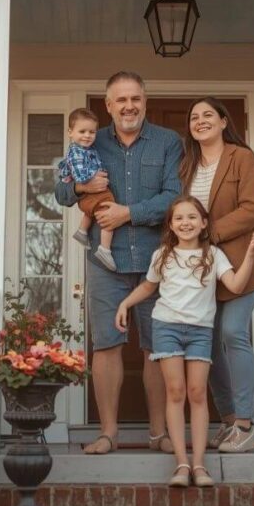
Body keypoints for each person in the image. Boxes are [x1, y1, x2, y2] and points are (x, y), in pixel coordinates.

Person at [54, 71, 182, 455]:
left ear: (144, 101)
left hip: (155, 259)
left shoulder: (167, 142)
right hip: (105, 262)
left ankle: (159, 433)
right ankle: (108, 432)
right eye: (120, 100)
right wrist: (81, 187)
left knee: (157, 346)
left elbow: (174, 196)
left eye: (136, 99)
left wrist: (129, 213)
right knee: (107, 344)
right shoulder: (91, 138)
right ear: (108, 105)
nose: (129, 106)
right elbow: (61, 191)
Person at [115, 195, 254, 487]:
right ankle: (181, 464)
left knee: (197, 393)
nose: (186, 223)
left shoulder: (214, 255)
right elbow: (148, 285)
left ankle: (199, 465)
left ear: (204, 223)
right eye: (179, 218)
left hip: (199, 331)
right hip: (166, 327)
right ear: (170, 224)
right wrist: (124, 305)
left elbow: (234, 284)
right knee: (176, 391)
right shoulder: (162, 255)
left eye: (192, 217)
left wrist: (250, 257)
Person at [180, 97, 254, 454]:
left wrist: (208, 233)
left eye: (207, 115)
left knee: (233, 333)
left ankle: (247, 425)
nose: (200, 121)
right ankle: (229, 418)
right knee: (209, 345)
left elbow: (250, 210)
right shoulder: (185, 166)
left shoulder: (242, 158)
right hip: (199, 271)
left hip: (241, 263)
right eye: (193, 117)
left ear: (222, 121)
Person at [57, 108, 116, 271]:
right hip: (93, 191)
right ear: (70, 132)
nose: (87, 135)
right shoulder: (76, 152)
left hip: (90, 197)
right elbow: (81, 176)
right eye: (82, 131)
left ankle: (82, 231)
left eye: (92, 132)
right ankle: (104, 249)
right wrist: (95, 175)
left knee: (91, 211)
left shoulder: (86, 150)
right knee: (108, 216)